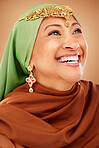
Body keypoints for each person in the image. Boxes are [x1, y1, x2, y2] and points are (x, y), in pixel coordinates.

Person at [0, 3, 99, 148]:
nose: (73, 44)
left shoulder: (95, 100)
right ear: (27, 57)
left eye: (76, 30)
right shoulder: (6, 122)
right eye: (54, 33)